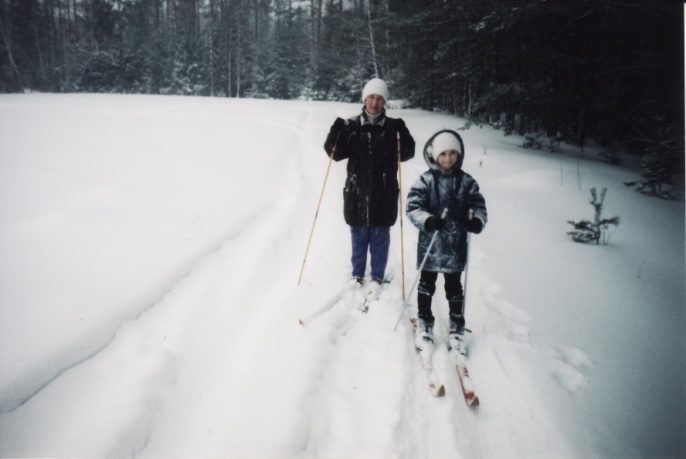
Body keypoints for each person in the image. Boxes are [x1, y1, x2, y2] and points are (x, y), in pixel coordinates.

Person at [324, 78, 415, 298]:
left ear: (385, 101)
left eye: (379, 98)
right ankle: (357, 275)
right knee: (359, 235)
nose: (375, 102)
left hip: (383, 192)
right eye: (371, 97)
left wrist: (403, 133)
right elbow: (335, 154)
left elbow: (408, 153)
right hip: (357, 192)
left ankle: (377, 276)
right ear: (364, 99)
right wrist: (335, 131)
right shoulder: (352, 126)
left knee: (379, 236)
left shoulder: (392, 128)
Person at [406, 129, 487, 354]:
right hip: (430, 246)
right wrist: (429, 220)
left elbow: (478, 205)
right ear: (434, 154)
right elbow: (413, 206)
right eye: (444, 153)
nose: (448, 158)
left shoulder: (467, 182)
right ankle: (424, 321)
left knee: (454, 288)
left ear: (459, 155)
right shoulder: (426, 180)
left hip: (455, 246)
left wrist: (476, 221)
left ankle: (456, 326)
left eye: (453, 153)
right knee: (426, 285)